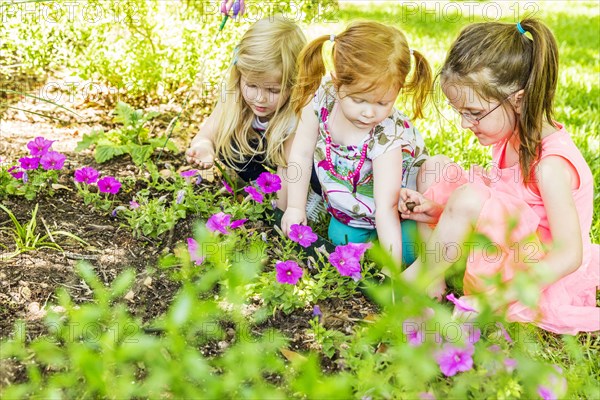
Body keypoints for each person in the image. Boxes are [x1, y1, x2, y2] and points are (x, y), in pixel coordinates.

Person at [400, 19, 599, 334]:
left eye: (475, 113)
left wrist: (498, 299)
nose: (466, 124)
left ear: (518, 100)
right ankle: (434, 274)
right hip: (508, 245)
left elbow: (569, 255)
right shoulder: (513, 137)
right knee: (433, 167)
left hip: (535, 272)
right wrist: (437, 211)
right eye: (460, 112)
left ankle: (420, 276)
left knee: (467, 197)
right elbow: (505, 208)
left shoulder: (551, 166)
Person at [281, 21, 432, 266]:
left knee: (408, 252)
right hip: (354, 206)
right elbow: (301, 153)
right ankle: (363, 231)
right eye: (359, 100)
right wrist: (295, 207)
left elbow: (387, 206)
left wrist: (392, 271)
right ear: (337, 81)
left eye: (383, 103)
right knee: (339, 240)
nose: (369, 113)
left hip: (397, 210)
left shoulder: (386, 135)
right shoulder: (321, 100)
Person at [185, 15, 306, 209]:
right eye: (251, 85)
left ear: (293, 85)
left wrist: (284, 212)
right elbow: (207, 134)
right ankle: (261, 189)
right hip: (265, 150)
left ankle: (301, 196)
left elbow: (290, 167)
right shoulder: (234, 96)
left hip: (299, 164)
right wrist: (205, 148)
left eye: (273, 90)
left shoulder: (297, 113)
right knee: (228, 145)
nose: (260, 98)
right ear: (240, 75)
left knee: (302, 180)